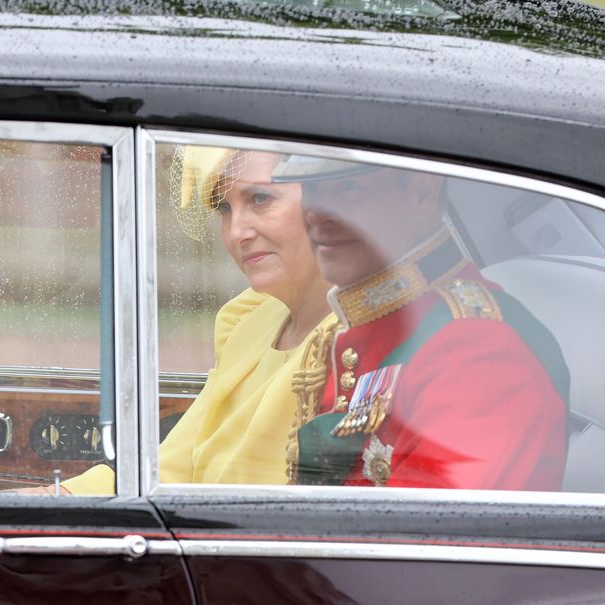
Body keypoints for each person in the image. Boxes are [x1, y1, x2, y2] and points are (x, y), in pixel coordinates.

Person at [34, 146, 337, 495]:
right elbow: (174, 466)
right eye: (225, 209)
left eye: (260, 199)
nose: (237, 232)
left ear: (326, 202)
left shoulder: (358, 334)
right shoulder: (251, 320)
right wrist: (53, 498)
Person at [271, 156, 568, 489]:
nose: (315, 213)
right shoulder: (367, 325)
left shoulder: (478, 355)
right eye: (311, 188)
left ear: (422, 190)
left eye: (347, 187)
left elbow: (422, 535)